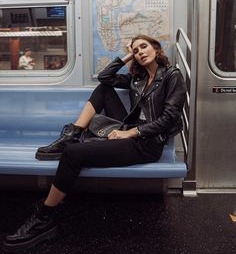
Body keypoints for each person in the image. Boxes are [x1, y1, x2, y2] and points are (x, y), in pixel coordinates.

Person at [3, 34, 186, 252]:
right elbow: (104, 78)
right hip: (130, 130)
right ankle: (73, 132)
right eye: (136, 51)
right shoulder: (138, 78)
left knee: (73, 154)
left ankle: (45, 216)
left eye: (144, 47)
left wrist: (130, 134)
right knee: (103, 90)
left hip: (146, 144)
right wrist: (127, 57)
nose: (140, 53)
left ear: (156, 49)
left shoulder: (172, 76)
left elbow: (169, 120)